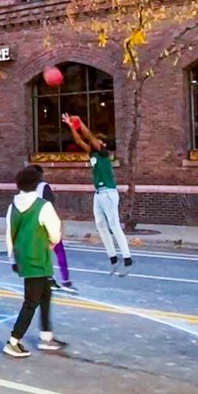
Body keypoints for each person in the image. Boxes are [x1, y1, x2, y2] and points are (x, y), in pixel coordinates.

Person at [4, 166, 67, 358]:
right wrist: (51, 242)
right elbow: (55, 232)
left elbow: (9, 234)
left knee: (45, 295)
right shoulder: (42, 205)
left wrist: (13, 258)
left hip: (23, 257)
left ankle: (46, 336)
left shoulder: (12, 206)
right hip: (39, 257)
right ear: (37, 184)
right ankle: (13, 341)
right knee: (31, 302)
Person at [63, 113, 133, 276]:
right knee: (101, 225)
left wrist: (80, 123)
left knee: (114, 225)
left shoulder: (103, 153)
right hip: (98, 194)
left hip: (109, 192)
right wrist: (72, 126)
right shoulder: (92, 154)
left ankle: (128, 257)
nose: (96, 142)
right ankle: (113, 258)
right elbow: (80, 140)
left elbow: (87, 136)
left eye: (99, 141)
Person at [30, 166, 77, 294]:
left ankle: (48, 279)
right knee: (59, 251)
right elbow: (50, 204)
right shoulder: (43, 186)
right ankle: (66, 281)